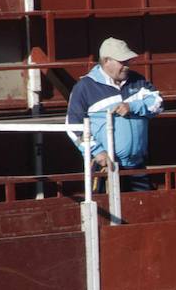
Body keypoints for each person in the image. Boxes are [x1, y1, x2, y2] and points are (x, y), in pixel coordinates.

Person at [67, 37, 163, 192]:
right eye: (122, 62)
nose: (127, 66)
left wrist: (132, 106)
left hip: (136, 165)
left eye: (128, 61)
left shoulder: (138, 81)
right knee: (107, 205)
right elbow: (73, 127)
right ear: (106, 61)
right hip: (105, 166)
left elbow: (158, 103)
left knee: (143, 204)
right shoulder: (85, 87)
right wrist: (97, 152)